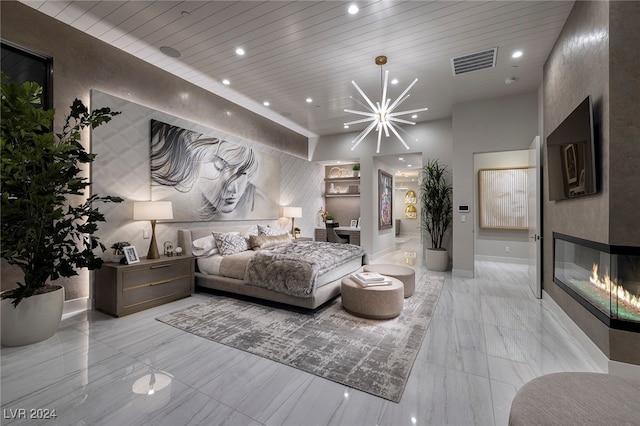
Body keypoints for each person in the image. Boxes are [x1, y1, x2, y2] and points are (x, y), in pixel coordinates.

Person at [150, 120, 264, 220]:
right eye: (219, 167)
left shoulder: (259, 203)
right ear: (193, 160)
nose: (233, 189)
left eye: (242, 172)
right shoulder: (171, 206)